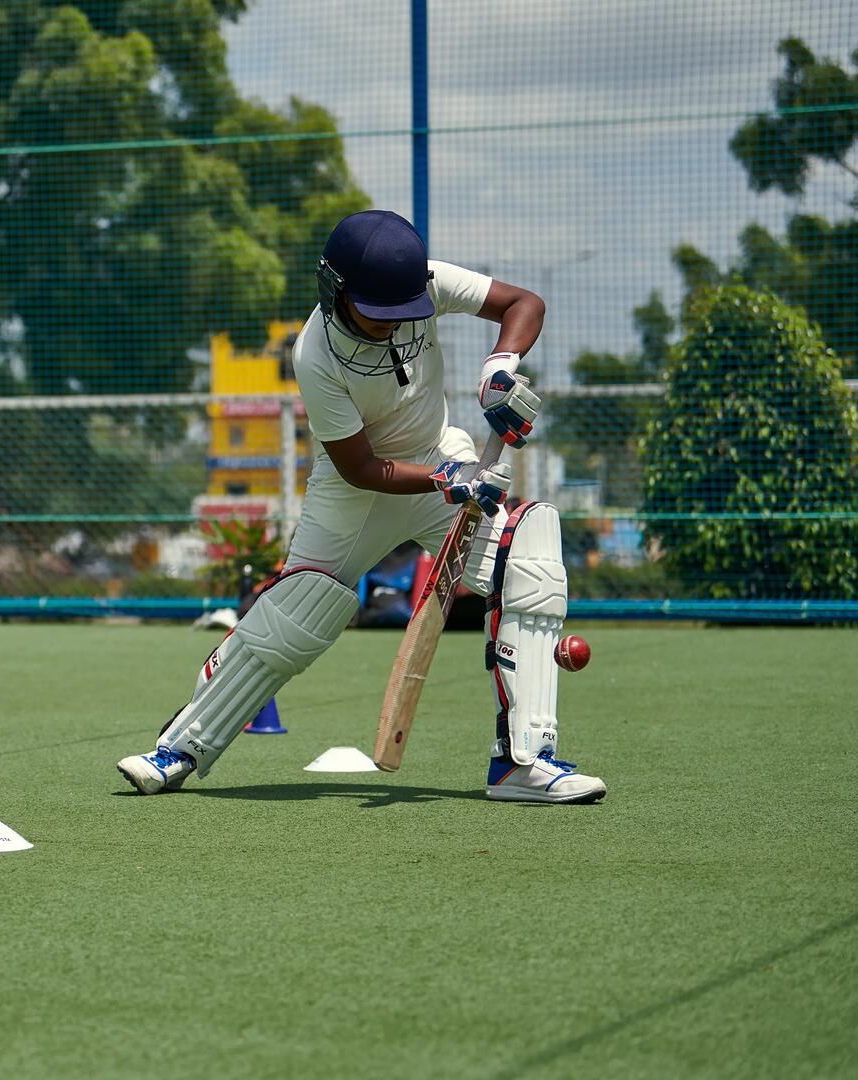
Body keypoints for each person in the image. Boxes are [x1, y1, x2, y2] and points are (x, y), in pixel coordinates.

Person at [116, 210, 606, 804]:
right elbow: (361, 467)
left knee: (527, 563)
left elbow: (523, 303)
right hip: (357, 492)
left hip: (439, 463)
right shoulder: (314, 354)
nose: (392, 327)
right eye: (379, 316)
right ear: (336, 291)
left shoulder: (420, 283)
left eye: (403, 315)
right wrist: (446, 480)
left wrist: (499, 369)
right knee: (299, 611)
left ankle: (524, 763)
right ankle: (178, 749)